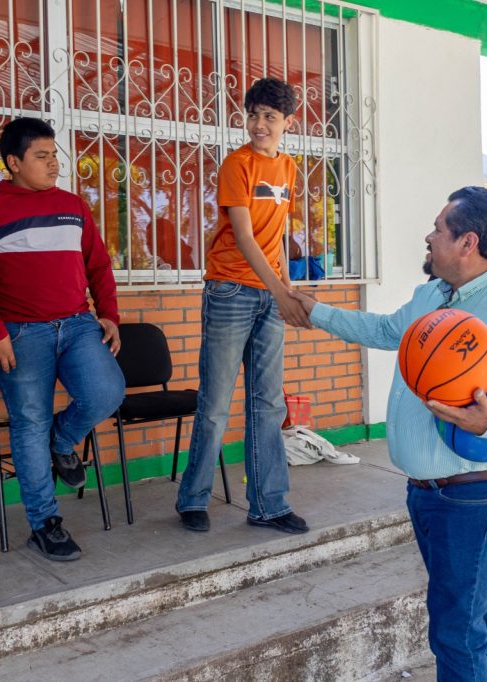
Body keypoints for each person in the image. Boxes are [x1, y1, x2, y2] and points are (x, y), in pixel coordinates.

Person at [290, 187, 487, 681]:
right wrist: (315, 312)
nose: (429, 237)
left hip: (477, 494)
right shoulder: (430, 295)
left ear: (467, 242)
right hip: (427, 492)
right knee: (477, 612)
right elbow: (388, 331)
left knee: (455, 628)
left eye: (438, 228)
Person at [0, 117, 125, 562]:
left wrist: (109, 313)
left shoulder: (73, 205)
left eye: (55, 155)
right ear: (14, 162)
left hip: (76, 324)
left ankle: (62, 441)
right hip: (19, 335)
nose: (54, 164)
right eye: (42, 156)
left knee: (107, 391)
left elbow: (99, 265)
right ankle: (45, 523)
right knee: (28, 423)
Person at [175, 77, 311, 534]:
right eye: (252, 114)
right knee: (215, 403)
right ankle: (193, 498)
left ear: (288, 123)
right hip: (231, 291)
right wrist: (278, 290)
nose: (258, 124)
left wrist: (287, 290)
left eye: (269, 117)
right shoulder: (237, 165)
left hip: (271, 294)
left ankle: (269, 504)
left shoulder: (289, 168)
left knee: (268, 404)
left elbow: (277, 239)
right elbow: (246, 237)